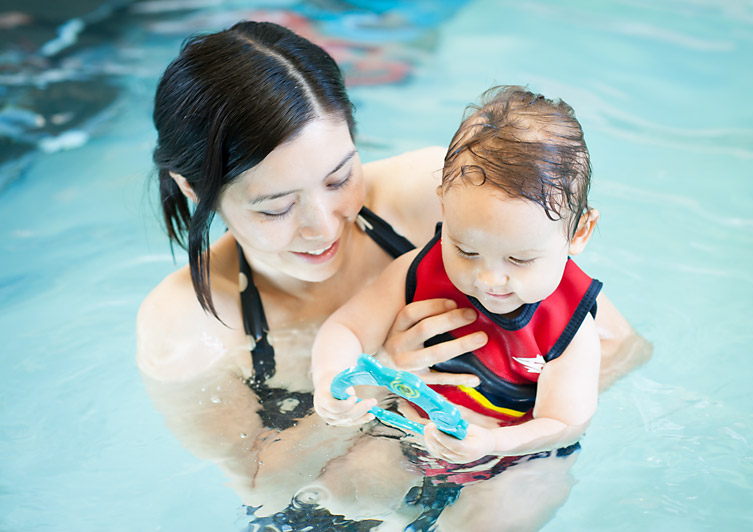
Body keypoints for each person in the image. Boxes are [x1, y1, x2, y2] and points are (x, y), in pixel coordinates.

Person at [136, 20, 650, 528]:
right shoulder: (184, 323)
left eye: (339, 178)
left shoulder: (442, 199)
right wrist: (377, 376)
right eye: (276, 208)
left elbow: (619, 347)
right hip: (340, 490)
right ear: (196, 191)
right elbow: (261, 486)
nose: (322, 228)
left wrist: (508, 434)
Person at [312, 86, 606, 527]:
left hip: (517, 456)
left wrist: (490, 446)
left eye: (520, 259)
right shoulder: (419, 272)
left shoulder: (568, 326)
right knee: (341, 492)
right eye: (466, 250)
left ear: (579, 233)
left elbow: (564, 422)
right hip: (412, 431)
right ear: (444, 207)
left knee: (496, 516)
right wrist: (330, 381)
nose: (489, 279)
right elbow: (346, 329)